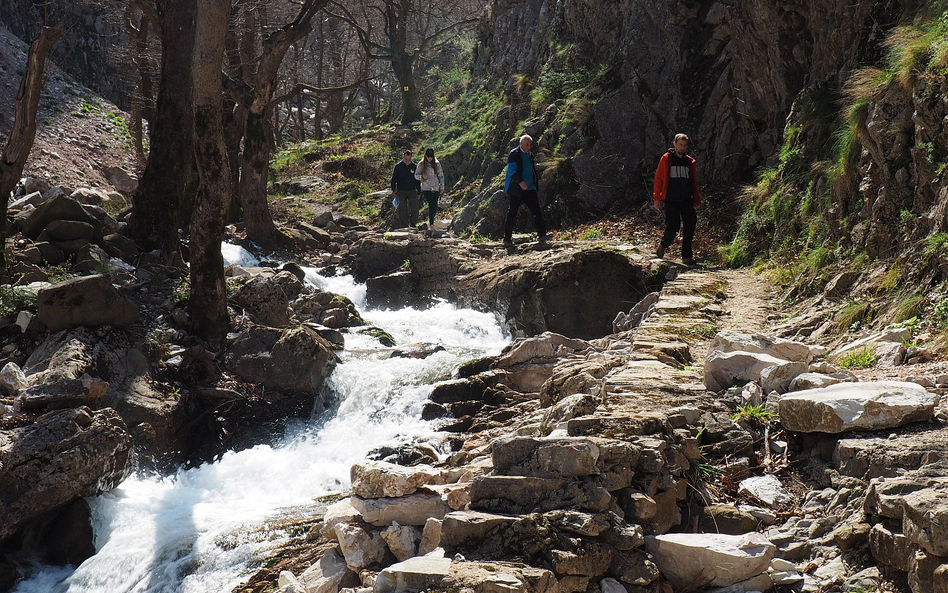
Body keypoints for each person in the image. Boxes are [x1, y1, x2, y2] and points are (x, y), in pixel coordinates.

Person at [653, 133, 702, 265]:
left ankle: (686, 256)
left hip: (686, 199)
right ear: (675, 144)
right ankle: (663, 246)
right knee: (673, 225)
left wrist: (697, 199)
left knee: (690, 224)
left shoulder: (689, 162)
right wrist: (657, 198)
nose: (682, 147)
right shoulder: (666, 158)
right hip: (671, 199)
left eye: (685, 145)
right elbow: (659, 179)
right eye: (680, 144)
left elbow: (694, 182)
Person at [503, 134, 547, 246]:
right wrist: (520, 181)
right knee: (512, 212)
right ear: (520, 144)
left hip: (530, 188)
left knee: (537, 211)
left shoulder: (530, 155)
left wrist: (534, 183)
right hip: (517, 189)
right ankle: (507, 239)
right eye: (527, 144)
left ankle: (542, 235)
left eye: (530, 144)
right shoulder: (514, 154)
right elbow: (511, 171)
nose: (529, 146)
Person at [414, 147, 445, 228]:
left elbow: (441, 175)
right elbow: (416, 175)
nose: (429, 158)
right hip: (426, 188)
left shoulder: (437, 163)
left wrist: (442, 187)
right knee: (431, 203)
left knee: (434, 205)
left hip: (435, 187)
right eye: (428, 157)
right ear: (425, 156)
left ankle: (431, 221)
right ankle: (431, 223)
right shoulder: (421, 164)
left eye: (431, 157)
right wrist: (422, 176)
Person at [391, 149, 421, 228]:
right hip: (401, 190)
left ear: (411, 157)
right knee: (402, 208)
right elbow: (393, 179)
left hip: (412, 189)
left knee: (415, 206)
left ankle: (413, 223)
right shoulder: (398, 166)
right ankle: (404, 225)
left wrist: (419, 191)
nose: (407, 161)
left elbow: (417, 180)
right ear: (403, 157)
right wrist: (394, 190)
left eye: (409, 159)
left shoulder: (414, 166)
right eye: (406, 159)